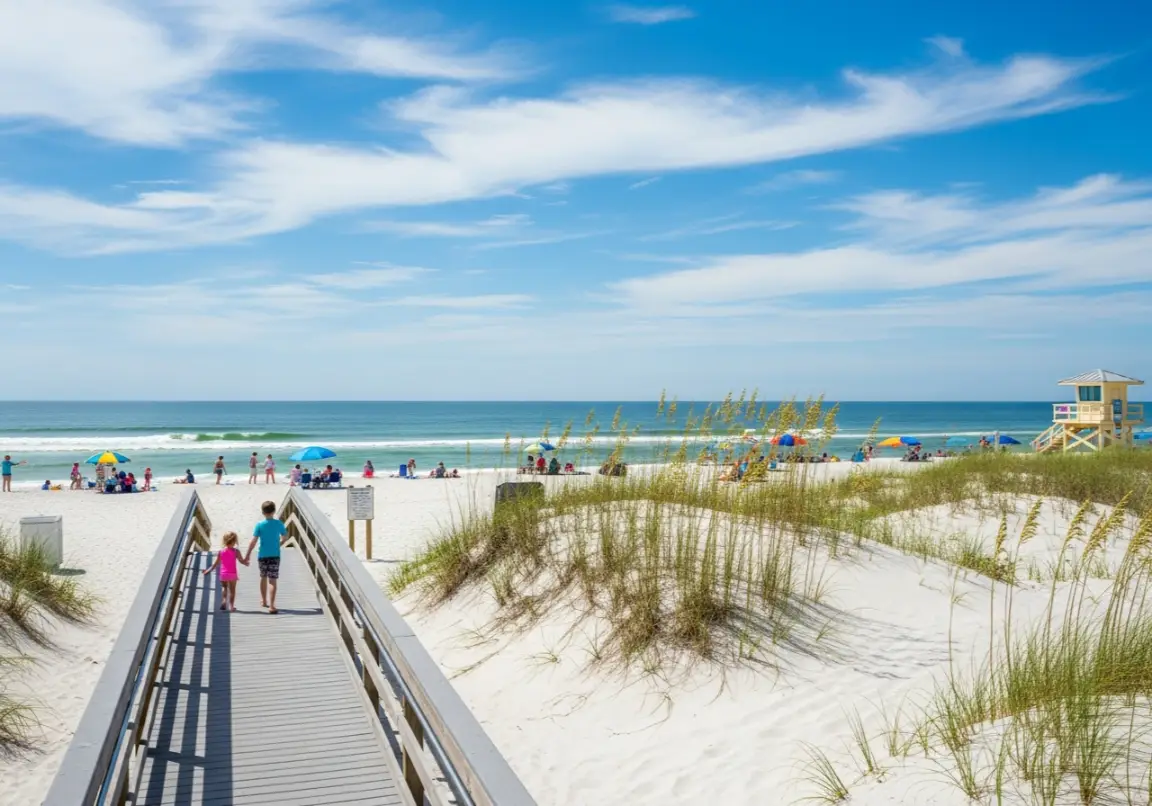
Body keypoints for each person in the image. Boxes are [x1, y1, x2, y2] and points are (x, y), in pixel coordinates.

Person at [244, 501, 287, 614]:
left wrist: (247, 555)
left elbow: (253, 541)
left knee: (263, 577)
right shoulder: (279, 523)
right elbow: (284, 538)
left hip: (262, 555)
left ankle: (263, 601)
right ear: (274, 511)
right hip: (275, 555)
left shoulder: (259, 525)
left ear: (263, 512)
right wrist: (278, 545)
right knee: (272, 580)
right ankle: (272, 606)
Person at [203, 531, 249, 612]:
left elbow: (215, 564)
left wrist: (208, 570)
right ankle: (231, 606)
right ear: (234, 541)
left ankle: (224, 601)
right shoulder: (236, 551)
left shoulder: (221, 552)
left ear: (224, 541)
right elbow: (241, 561)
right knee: (232, 590)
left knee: (224, 587)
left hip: (223, 574)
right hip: (232, 574)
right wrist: (245, 562)